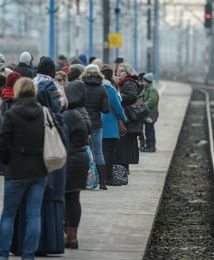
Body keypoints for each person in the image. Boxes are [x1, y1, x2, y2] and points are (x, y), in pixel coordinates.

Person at [11, 57, 68, 256]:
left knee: (17, 210)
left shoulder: (14, 112)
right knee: (39, 210)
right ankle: (40, 247)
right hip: (46, 169)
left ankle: (12, 247)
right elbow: (62, 147)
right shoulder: (54, 117)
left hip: (18, 169)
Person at [0, 77, 47, 260]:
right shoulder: (44, 112)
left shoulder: (11, 114)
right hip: (39, 171)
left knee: (9, 215)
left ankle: (3, 254)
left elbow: (3, 143)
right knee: (34, 216)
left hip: (16, 170)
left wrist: (7, 162)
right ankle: (29, 255)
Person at [63, 80, 91, 249]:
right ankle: (72, 236)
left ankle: (67, 234)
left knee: (65, 198)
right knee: (73, 198)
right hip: (80, 159)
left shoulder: (69, 115)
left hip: (70, 160)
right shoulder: (83, 111)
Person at [81, 64, 110, 190]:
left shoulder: (81, 86)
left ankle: (84, 180)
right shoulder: (102, 88)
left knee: (82, 150)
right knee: (98, 151)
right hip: (96, 124)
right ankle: (102, 182)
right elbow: (106, 109)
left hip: (82, 123)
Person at [101, 64, 128, 185]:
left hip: (98, 124)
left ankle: (100, 177)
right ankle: (108, 177)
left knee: (100, 152)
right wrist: (124, 119)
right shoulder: (110, 89)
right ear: (110, 76)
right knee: (109, 152)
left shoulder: (97, 87)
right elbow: (117, 108)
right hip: (110, 125)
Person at [115, 63, 139, 174]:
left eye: (121, 72)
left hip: (128, 118)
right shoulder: (122, 83)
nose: (119, 73)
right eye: (118, 72)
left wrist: (118, 96)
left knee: (125, 144)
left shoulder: (129, 82)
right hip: (125, 117)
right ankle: (123, 167)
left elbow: (132, 96)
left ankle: (124, 168)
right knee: (124, 145)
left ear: (127, 73)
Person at [140, 73, 159, 152]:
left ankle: (151, 146)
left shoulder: (152, 90)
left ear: (147, 81)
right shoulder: (145, 89)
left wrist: (142, 105)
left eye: (143, 80)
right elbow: (140, 97)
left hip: (151, 113)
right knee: (148, 129)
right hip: (147, 112)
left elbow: (152, 101)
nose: (142, 82)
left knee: (149, 129)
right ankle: (148, 146)